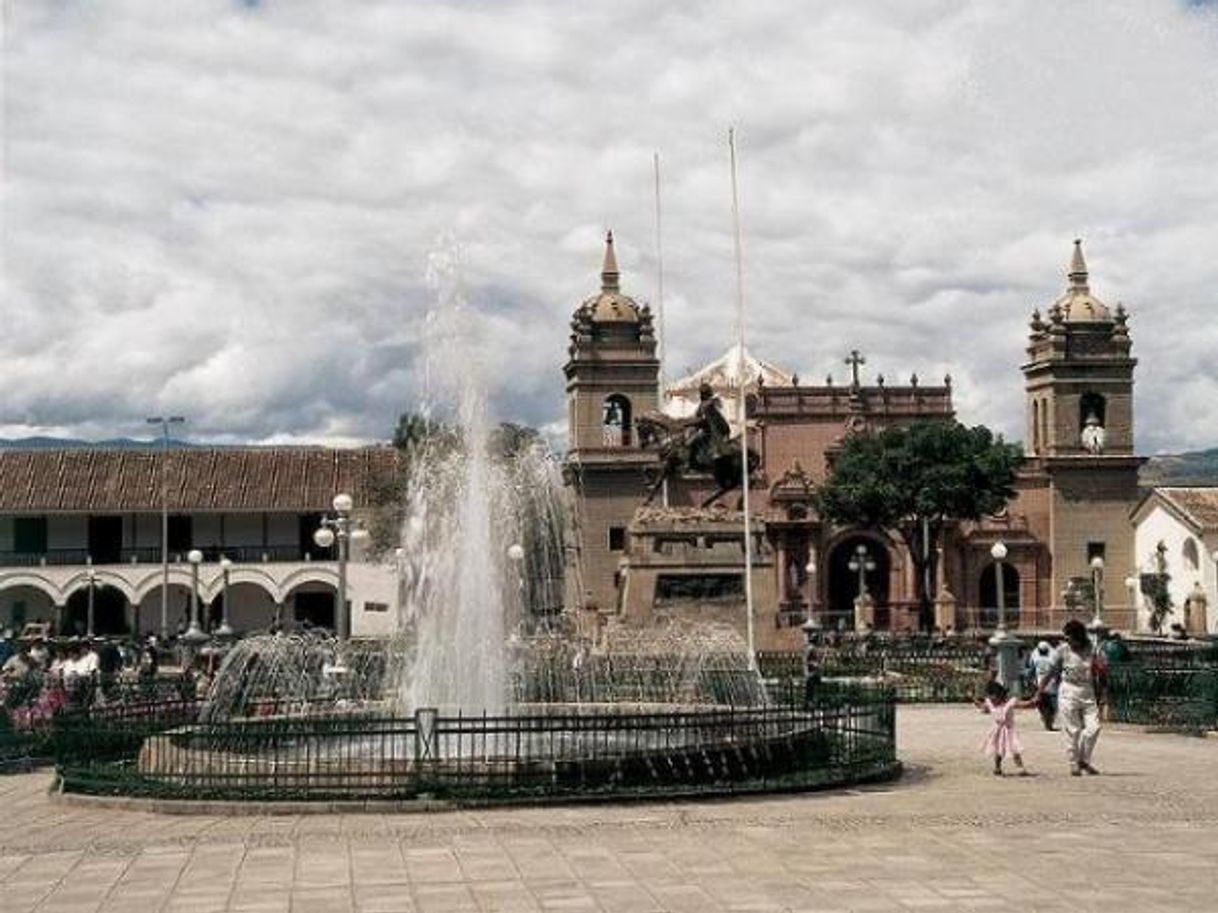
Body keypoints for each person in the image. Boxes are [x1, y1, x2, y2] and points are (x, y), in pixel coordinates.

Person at [1036, 619, 1106, 776]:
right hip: (1068, 690)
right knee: (1073, 730)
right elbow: (1051, 672)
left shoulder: (1092, 649)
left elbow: (1100, 671)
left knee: (1094, 727)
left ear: (1079, 636)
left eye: (1070, 637)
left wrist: (1102, 687)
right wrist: (1039, 691)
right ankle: (1074, 763)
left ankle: (1084, 760)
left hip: (1087, 690)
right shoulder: (1062, 650)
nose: (1068, 640)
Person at [975, 679, 1036, 776]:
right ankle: (997, 767)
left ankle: (1021, 768)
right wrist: (976, 701)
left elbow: (1023, 704)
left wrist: (1031, 702)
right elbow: (983, 708)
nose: (992, 699)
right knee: (998, 750)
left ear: (1000, 695)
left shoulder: (1010, 703)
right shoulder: (990, 703)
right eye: (990, 697)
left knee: (1014, 749)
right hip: (996, 731)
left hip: (1009, 730)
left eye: (994, 697)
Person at [1028, 641, 1059, 731]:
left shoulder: (1053, 657)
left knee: (1052, 706)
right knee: (1043, 705)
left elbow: (1056, 671)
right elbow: (1032, 669)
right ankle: (1047, 721)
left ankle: (1049, 721)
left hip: (1051, 685)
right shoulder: (1035, 657)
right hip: (1041, 685)